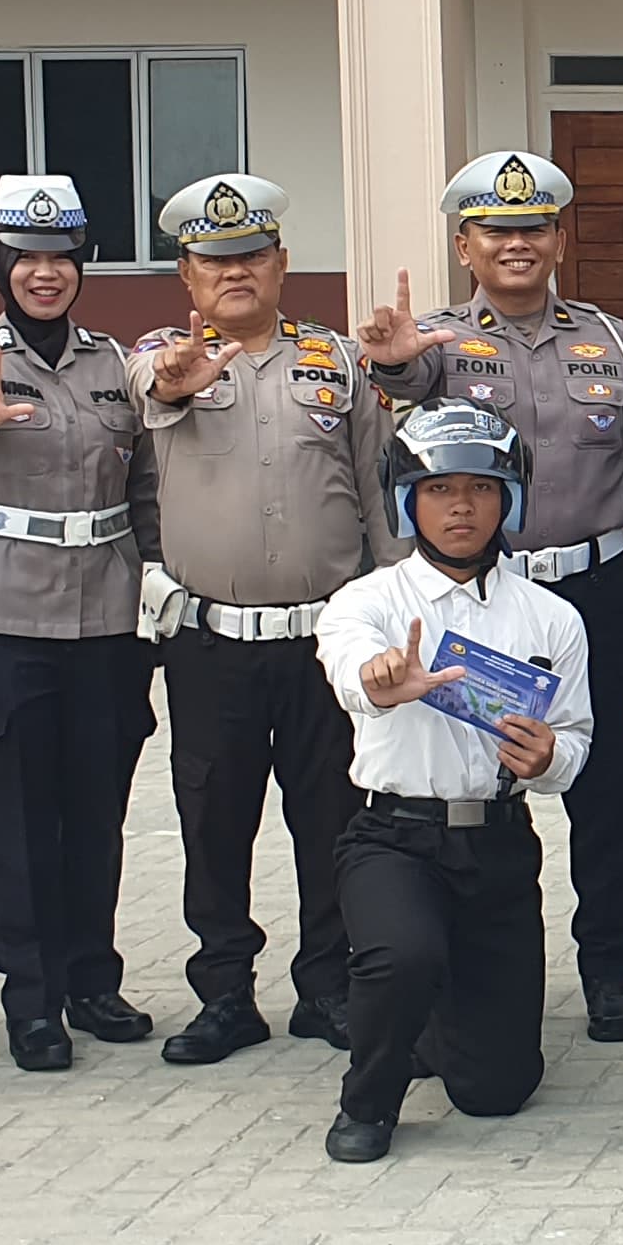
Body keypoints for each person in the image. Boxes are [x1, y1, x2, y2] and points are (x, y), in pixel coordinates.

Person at [355, 151, 623, 1046]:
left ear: (559, 240)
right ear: (464, 246)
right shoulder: (434, 341)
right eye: (495, 231)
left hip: (594, 586)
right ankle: (467, 960)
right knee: (472, 774)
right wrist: (393, 367)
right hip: (481, 591)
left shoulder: (608, 339)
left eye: (533, 228)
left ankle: (609, 968)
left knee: (607, 785)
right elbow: (402, 395)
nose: (517, 245)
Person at [130, 171, 401, 1066]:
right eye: (214, 261)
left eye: (251, 255)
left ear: (282, 262)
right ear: (187, 275)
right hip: (212, 644)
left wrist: (399, 606)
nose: (234, 272)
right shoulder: (162, 357)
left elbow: (377, 494)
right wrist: (174, 382)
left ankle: (327, 987)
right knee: (214, 821)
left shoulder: (337, 363)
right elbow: (149, 388)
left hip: (326, 640)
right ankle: (224, 993)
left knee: (333, 819)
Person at [307, 405, 593, 1163]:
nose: (460, 506)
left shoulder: (551, 617)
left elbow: (576, 740)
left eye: (480, 488)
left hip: (497, 842)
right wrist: (379, 678)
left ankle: (433, 1018)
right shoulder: (367, 602)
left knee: (497, 1089)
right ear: (406, 500)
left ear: (510, 498)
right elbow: (348, 668)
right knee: (403, 956)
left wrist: (547, 760)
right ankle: (367, 1100)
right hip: (393, 837)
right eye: (438, 489)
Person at [0, 173, 161, 1072]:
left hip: (105, 618)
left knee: (96, 810)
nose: (44, 273)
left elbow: (145, 486)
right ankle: (31, 1000)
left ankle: (92, 979)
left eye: (61, 257)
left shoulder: (113, 366)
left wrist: (157, 587)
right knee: (18, 819)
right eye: (25, 257)